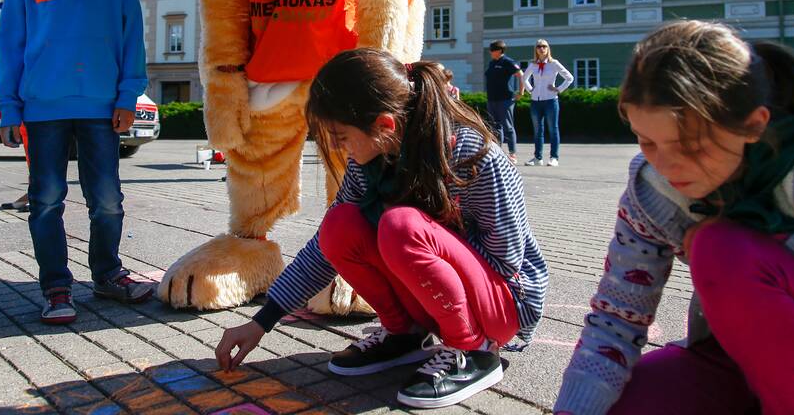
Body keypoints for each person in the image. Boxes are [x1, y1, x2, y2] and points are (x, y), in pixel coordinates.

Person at [554, 20, 794, 415]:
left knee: (720, 247)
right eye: (646, 141)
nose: (663, 165)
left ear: (753, 124)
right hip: (743, 363)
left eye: (689, 145)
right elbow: (616, 318)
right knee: (620, 403)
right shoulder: (651, 189)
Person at [215, 48, 548, 409]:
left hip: (503, 305)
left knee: (399, 225)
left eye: (341, 136)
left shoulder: (475, 157)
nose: (339, 149)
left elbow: (507, 259)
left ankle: (474, 351)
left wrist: (425, 238)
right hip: (442, 298)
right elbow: (323, 251)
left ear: (385, 124)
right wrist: (262, 322)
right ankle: (404, 333)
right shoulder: (372, 159)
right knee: (339, 226)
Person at [0, 0, 152, 324]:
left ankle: (107, 273)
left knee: (107, 198)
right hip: (42, 108)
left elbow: (131, 35)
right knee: (45, 199)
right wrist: (9, 106)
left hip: (102, 106)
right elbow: (10, 44)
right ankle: (56, 287)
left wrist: (129, 95)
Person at [0, 0, 39, 214]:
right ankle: (34, 191)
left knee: (39, 148)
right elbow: (9, 45)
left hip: (44, 87)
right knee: (31, 148)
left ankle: (38, 193)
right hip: (26, 86)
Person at [521, 40, 573, 167]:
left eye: (544, 46)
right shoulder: (533, 65)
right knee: (538, 130)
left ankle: (554, 157)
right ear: (536, 50)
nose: (541, 49)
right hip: (536, 101)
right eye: (539, 46)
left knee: (553, 129)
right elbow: (524, 78)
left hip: (551, 100)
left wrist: (558, 89)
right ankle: (537, 158)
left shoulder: (553, 63)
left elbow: (569, 77)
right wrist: (530, 90)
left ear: (548, 49)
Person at [484, 41, 522, 164]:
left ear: (499, 50)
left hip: (505, 99)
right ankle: (498, 152)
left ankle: (512, 153)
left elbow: (520, 74)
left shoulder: (507, 61)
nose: (490, 52)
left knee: (508, 127)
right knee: (495, 127)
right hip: (492, 99)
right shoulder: (492, 63)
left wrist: (520, 92)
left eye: (492, 49)